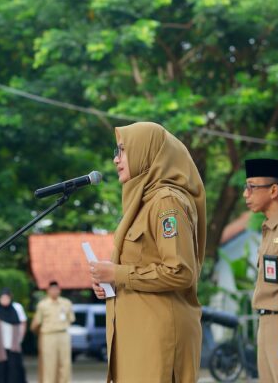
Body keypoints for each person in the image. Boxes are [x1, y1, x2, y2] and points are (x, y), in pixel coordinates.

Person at [89, 121, 206, 383]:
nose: (115, 159)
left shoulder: (167, 202)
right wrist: (110, 284)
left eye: (122, 150)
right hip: (138, 336)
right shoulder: (142, 203)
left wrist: (118, 274)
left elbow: (180, 273)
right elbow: (143, 265)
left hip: (160, 337)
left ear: (146, 151)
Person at [243, 158, 278, 383]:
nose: (245, 194)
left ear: (274, 190)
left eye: (251, 187)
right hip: (266, 322)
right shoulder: (269, 227)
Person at [30, 281, 74, 383]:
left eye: (56, 289)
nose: (54, 291)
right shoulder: (42, 304)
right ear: (48, 291)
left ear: (60, 290)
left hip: (63, 335)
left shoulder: (66, 303)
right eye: (52, 289)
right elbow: (35, 324)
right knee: (49, 364)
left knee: (65, 363)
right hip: (48, 336)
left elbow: (70, 319)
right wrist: (41, 334)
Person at [0, 289, 27, 383]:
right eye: (2, 298)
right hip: (0, 347)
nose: (5, 300)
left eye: (7, 298)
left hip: (14, 346)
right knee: (1, 371)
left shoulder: (16, 308)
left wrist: (20, 340)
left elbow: (23, 324)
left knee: (15, 371)